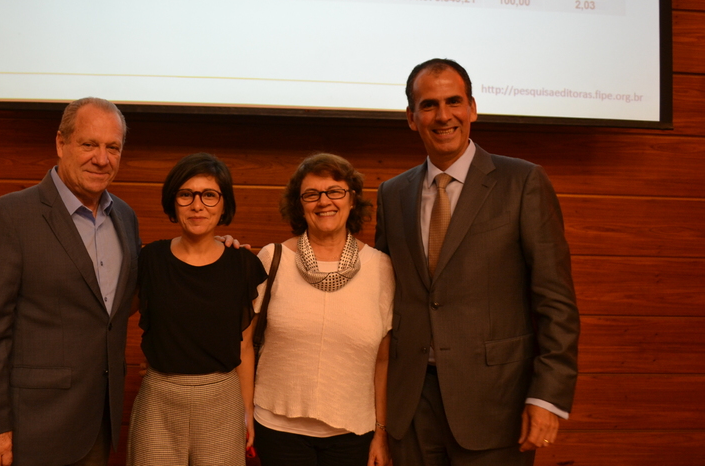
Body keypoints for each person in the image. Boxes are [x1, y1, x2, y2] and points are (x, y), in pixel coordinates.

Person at [375, 58, 580, 465]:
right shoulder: (392, 193)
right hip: (411, 407)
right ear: (412, 118)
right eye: (429, 105)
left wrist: (548, 396)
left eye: (454, 101)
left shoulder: (523, 182)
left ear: (473, 108)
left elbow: (555, 300)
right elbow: (380, 292)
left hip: (496, 405)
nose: (443, 115)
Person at [0, 97, 138, 466]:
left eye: (112, 148)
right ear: (61, 143)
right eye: (89, 144)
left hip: (98, 425)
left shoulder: (125, 217)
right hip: (31, 428)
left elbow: (122, 302)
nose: (101, 159)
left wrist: (217, 248)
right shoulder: (9, 217)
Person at [253, 153, 394, 466]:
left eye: (335, 191)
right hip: (277, 430)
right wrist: (244, 416)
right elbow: (245, 343)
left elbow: (383, 360)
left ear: (352, 199)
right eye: (311, 194)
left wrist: (381, 433)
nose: (324, 201)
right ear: (299, 205)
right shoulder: (272, 258)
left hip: (353, 435)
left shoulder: (381, 268)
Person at [127, 153, 266, 466]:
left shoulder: (243, 264)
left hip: (222, 403)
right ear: (173, 202)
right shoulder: (150, 260)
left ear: (223, 203)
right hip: (159, 401)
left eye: (209, 195)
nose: (197, 205)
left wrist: (248, 411)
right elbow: (113, 317)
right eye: (186, 194)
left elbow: (244, 347)